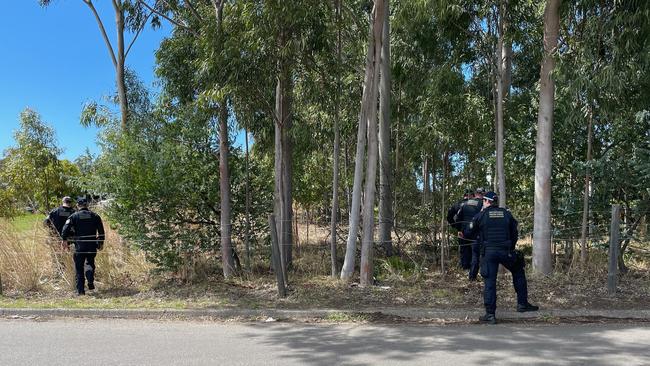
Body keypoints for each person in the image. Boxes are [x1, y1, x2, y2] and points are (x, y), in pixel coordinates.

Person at [464, 191, 538, 324]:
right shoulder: (506, 214)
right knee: (518, 271)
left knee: (490, 282)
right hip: (506, 251)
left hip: (489, 253)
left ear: (486, 201)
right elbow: (514, 232)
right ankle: (522, 304)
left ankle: (490, 315)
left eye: (483, 201)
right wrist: (511, 247)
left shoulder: (481, 215)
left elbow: (468, 232)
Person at [61, 198, 105, 295]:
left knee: (79, 267)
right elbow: (101, 231)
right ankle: (90, 278)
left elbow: (65, 229)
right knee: (90, 263)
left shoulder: (73, 216)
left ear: (78, 205)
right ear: (87, 205)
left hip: (79, 246)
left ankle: (80, 291)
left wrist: (64, 240)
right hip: (92, 245)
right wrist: (101, 243)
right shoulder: (95, 216)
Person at [455, 188, 484, 277]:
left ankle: (465, 270)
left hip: (464, 232)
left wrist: (459, 230)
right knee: (475, 254)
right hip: (476, 233)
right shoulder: (483, 204)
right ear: (483, 194)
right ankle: (472, 276)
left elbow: (458, 218)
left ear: (475, 194)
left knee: (465, 251)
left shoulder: (465, 203)